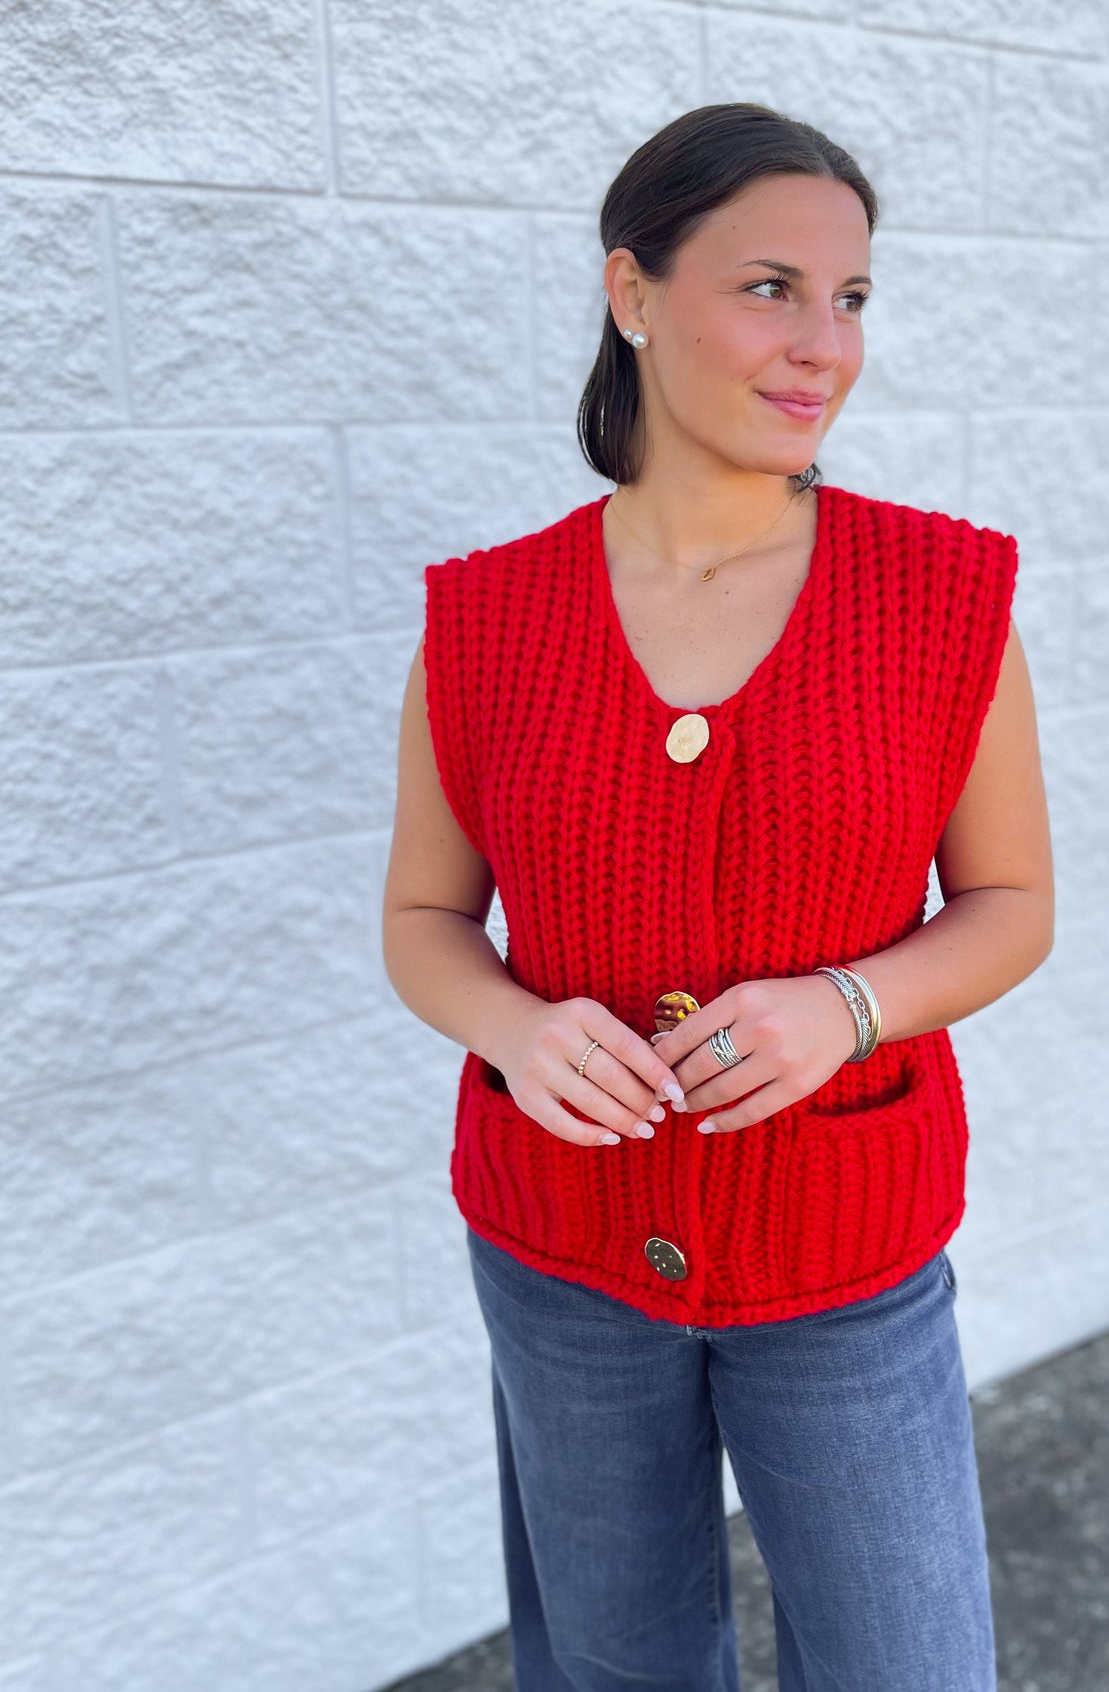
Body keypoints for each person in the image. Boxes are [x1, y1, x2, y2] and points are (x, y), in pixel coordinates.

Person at [382, 102, 1054, 1692]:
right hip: (561, 1249)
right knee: (613, 1667)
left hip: (845, 1251)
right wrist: (514, 1027)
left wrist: (852, 1005)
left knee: (908, 1665)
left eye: (854, 299)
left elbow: (1014, 901)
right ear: (632, 293)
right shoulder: (484, 620)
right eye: (770, 287)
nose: (825, 342)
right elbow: (422, 919)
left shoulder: (942, 597)